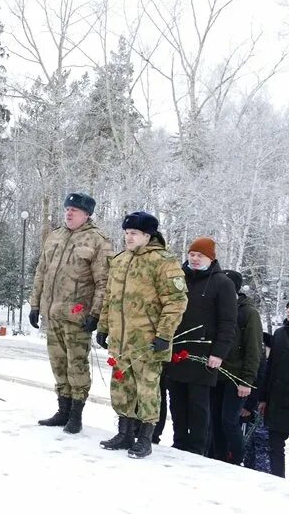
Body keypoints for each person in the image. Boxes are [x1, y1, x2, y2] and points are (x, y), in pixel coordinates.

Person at [96, 211, 187, 458]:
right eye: (126, 233)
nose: (128, 238)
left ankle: (145, 437)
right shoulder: (120, 260)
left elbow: (176, 301)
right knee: (120, 386)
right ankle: (124, 432)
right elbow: (110, 298)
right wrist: (104, 327)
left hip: (147, 341)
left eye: (134, 233)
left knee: (147, 389)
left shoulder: (163, 261)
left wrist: (164, 334)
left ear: (148, 235)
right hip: (120, 339)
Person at [28, 192, 113, 434]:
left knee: (76, 365)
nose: (69, 213)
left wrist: (95, 314)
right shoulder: (55, 236)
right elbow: (41, 272)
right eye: (67, 208)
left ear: (87, 214)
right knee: (58, 363)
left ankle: (76, 414)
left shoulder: (98, 240)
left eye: (74, 210)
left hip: (78, 315)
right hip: (52, 312)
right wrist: (35, 305)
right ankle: (62, 410)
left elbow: (103, 282)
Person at [162, 237, 237, 455]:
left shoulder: (223, 283)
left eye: (200, 256)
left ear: (210, 258)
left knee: (198, 405)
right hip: (176, 349)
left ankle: (196, 448)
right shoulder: (179, 278)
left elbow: (228, 322)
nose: (194, 259)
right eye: (192, 254)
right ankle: (179, 442)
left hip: (203, 353)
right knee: (176, 401)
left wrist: (219, 353)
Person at [209, 270, 261, 463]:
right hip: (216, 374)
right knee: (214, 420)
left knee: (229, 421)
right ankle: (217, 457)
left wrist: (246, 380)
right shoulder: (217, 308)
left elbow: (254, 350)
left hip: (236, 377)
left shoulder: (249, 313)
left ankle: (235, 459)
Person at [259, 297, 289, 480]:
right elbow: (270, 367)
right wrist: (263, 398)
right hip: (278, 399)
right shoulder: (280, 334)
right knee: (275, 446)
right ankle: (277, 482)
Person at [241, 331, 271, 473]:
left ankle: (262, 473)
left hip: (263, 403)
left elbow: (261, 379)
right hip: (257, 402)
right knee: (250, 443)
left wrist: (251, 403)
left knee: (261, 442)